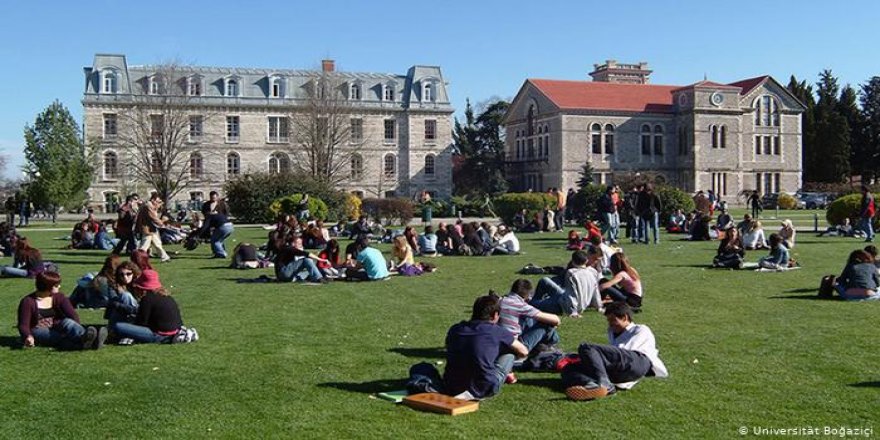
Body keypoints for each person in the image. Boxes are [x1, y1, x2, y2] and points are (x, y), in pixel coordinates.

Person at [561, 302, 668, 401]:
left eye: (612, 320)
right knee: (569, 368)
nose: (610, 324)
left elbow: (625, 352)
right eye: (608, 321)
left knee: (587, 348)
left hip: (637, 362)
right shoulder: (612, 332)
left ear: (624, 317)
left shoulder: (640, 329)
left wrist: (595, 358)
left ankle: (604, 384)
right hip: (619, 370)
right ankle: (592, 385)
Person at [443, 293, 529, 400]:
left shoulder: (455, 329)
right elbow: (523, 351)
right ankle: (479, 389)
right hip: (484, 386)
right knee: (510, 353)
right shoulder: (496, 331)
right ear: (495, 315)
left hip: (451, 385)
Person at [17, 271, 106, 350]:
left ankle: (84, 337)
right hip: (38, 329)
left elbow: (72, 315)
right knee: (60, 337)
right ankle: (90, 342)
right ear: (47, 286)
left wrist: (77, 327)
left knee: (68, 322)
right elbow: (23, 325)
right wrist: (28, 336)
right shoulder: (28, 301)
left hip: (57, 325)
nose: (59, 286)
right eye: (56, 285)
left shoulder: (59, 297)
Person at [111, 270, 198, 344]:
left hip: (159, 335)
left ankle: (111, 333)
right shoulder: (167, 297)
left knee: (118, 326)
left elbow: (141, 323)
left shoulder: (147, 299)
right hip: (174, 331)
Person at [531, 248, 603, 317]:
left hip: (564, 306)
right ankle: (538, 300)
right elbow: (595, 292)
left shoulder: (572, 273)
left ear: (573, 261)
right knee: (545, 280)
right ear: (586, 261)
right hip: (570, 300)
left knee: (534, 303)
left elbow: (572, 294)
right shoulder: (593, 272)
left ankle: (532, 302)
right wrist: (599, 306)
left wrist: (573, 311)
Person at [500, 279, 560, 358]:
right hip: (516, 347)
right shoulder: (520, 305)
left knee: (529, 318)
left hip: (500, 342)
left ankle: (543, 347)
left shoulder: (501, 300)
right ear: (527, 295)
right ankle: (549, 346)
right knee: (547, 324)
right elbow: (556, 320)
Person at [104, 262, 142, 341]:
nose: (125, 277)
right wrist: (134, 310)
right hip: (119, 315)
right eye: (122, 274)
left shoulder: (139, 285)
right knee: (125, 295)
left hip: (134, 316)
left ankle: (125, 332)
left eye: (128, 274)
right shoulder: (113, 285)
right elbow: (114, 304)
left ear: (134, 273)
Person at [136, 193, 171, 262]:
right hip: (147, 229)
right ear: (153, 200)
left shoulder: (150, 206)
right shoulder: (148, 206)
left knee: (157, 243)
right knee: (145, 245)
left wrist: (158, 206)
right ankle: (138, 258)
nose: (158, 203)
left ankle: (165, 257)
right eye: (157, 201)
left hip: (151, 228)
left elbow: (154, 214)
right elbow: (153, 217)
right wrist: (162, 222)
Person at [201, 191, 234, 258]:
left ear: (217, 197)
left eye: (214, 197)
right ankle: (218, 252)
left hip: (221, 223)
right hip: (215, 223)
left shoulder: (222, 204)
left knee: (215, 240)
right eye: (211, 197)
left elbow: (226, 212)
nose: (213, 199)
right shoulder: (206, 205)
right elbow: (204, 213)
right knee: (218, 239)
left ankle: (221, 253)